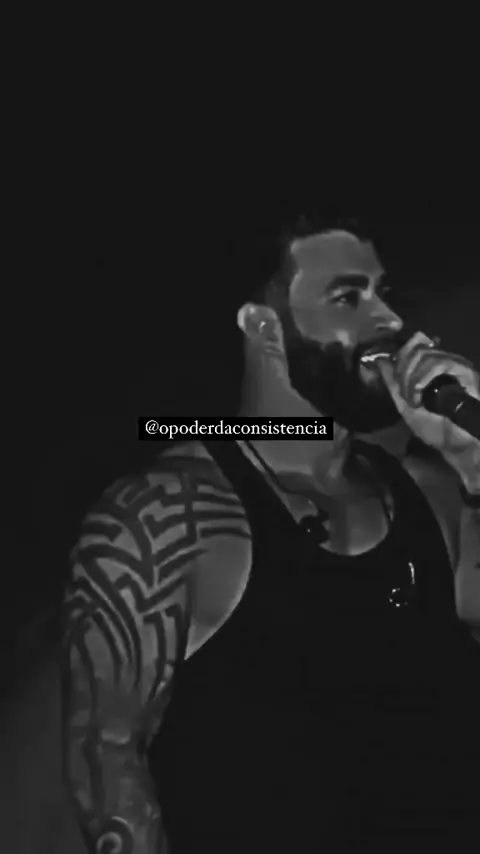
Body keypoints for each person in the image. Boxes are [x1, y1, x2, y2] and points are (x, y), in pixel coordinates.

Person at [61, 219, 480, 852]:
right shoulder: (166, 515)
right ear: (262, 326)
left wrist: (473, 463)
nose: (391, 320)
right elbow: (107, 755)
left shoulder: (428, 486)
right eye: (349, 297)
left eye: (384, 293)